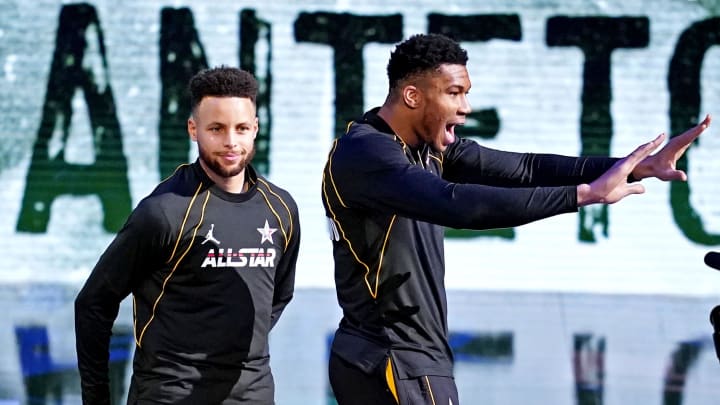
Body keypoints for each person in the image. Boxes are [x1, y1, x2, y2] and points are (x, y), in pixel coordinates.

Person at [321, 33, 711, 405]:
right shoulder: (366, 153)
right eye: (454, 93)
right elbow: (454, 203)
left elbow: (526, 168)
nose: (466, 107)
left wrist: (636, 167)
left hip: (407, 356)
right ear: (412, 96)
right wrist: (584, 196)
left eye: (466, 94)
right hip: (392, 356)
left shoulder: (428, 149)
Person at [75, 66, 300, 404]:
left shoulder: (281, 208)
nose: (230, 141)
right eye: (216, 129)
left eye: (241, 128)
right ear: (194, 129)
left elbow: (278, 295)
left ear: (255, 129)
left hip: (252, 394)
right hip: (169, 393)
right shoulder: (164, 212)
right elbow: (94, 303)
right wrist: (96, 398)